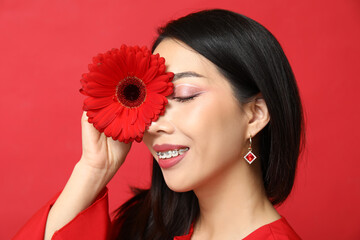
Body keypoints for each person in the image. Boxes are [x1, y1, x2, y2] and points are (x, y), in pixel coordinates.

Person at [13, 9, 304, 240]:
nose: (153, 125)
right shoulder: (145, 227)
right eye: (153, 101)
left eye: (184, 95)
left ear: (254, 115)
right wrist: (93, 169)